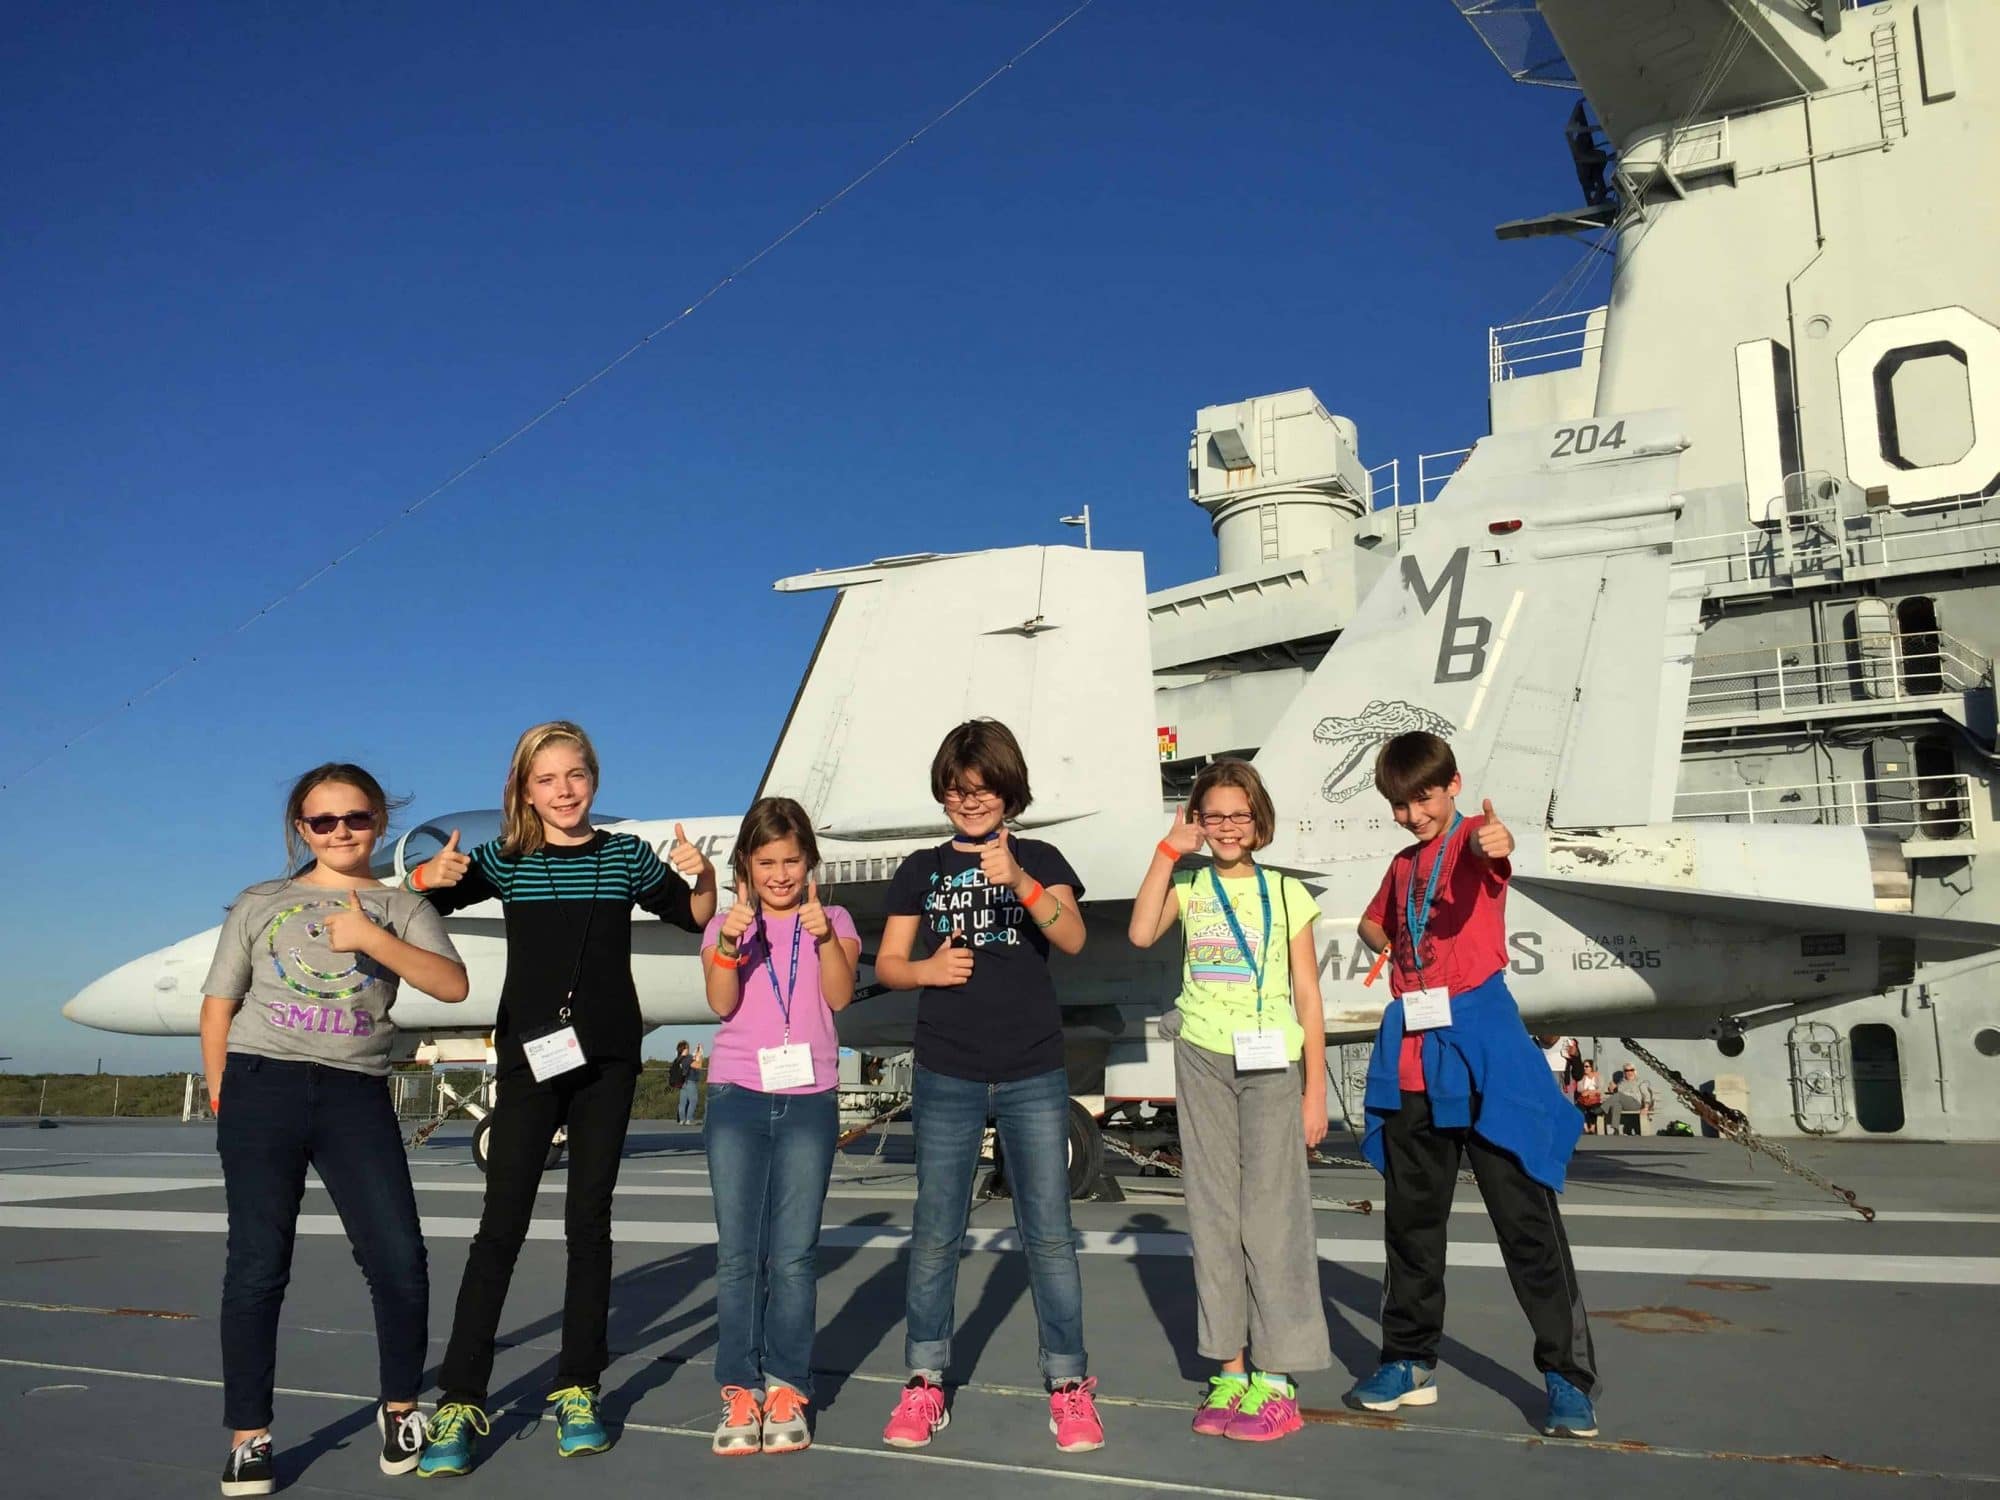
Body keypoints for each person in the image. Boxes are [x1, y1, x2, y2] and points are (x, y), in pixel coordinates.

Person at [407, 722, 716, 1476]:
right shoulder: (505, 860)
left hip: (607, 1060)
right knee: (499, 1227)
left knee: (590, 1225)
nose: (565, 791)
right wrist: (426, 880)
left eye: (576, 775)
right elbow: (426, 913)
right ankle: (459, 1397)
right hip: (529, 1060)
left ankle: (578, 1388)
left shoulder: (626, 857)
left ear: (595, 779)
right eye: (547, 780)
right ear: (524, 788)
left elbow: (697, 918)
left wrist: (701, 878)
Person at [200, 764, 470, 1496]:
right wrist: (225, 1092)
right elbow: (220, 1002)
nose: (342, 832)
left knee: (399, 1259)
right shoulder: (262, 902)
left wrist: (370, 937)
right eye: (325, 822)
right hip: (264, 1088)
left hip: (356, 1094)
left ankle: (400, 1408)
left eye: (356, 818)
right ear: (302, 830)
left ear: (378, 822)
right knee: (257, 1266)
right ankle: (249, 1436)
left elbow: (452, 985)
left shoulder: (402, 906)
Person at [1346, 731, 1599, 1440]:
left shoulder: (1471, 847)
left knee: (1526, 1227)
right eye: (1398, 804)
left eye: (1421, 798)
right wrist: (1387, 941)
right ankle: (1406, 1359)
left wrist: (1497, 842)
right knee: (1411, 1229)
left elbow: (1497, 857)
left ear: (1452, 785)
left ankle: (1566, 1376)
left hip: (1485, 1053)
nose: (1411, 814)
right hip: (1416, 1061)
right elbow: (1374, 922)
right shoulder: (1401, 866)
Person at [874, 719, 1103, 1454]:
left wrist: (1024, 884)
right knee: (937, 1233)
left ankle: (1068, 1386)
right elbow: (888, 964)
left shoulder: (1040, 856)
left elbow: (1071, 938)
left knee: (1051, 1236)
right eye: (956, 789)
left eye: (983, 789)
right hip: (946, 1067)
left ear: (1009, 790)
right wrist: (927, 972)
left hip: (1034, 1067)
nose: (969, 802)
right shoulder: (921, 867)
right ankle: (924, 1381)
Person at [1127, 759, 1330, 1442]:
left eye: (1238, 815)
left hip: (1273, 1060)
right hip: (1205, 1056)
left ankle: (1278, 1376)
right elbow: (1138, 932)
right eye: (1213, 815)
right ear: (1197, 820)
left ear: (1258, 818)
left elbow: (1309, 993)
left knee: (1273, 1218)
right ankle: (1232, 1369)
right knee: (1213, 1214)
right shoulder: (1188, 883)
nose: (1226, 827)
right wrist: (1166, 851)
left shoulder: (1285, 894)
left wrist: (1314, 1092)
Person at [699, 797, 861, 1457]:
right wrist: (732, 940)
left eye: (792, 859)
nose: (781, 873)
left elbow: (841, 995)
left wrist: (823, 937)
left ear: (810, 862)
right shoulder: (722, 925)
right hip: (738, 1095)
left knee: (793, 1256)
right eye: (767, 861)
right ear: (746, 864)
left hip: (809, 1097)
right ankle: (740, 1387)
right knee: (739, 1255)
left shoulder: (838, 919)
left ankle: (787, 1384)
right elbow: (720, 1002)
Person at [669, 1040, 704, 1125]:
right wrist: (700, 1056)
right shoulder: (688, 1058)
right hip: (690, 1081)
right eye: (688, 1047)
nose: (689, 1049)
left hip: (682, 1082)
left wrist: (695, 1055)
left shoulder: (678, 1058)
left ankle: (682, 1120)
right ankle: (689, 1119)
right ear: (685, 1048)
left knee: (682, 1102)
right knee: (693, 1101)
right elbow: (698, 1066)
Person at [1576, 1060, 1604, 1134]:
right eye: (1584, 1066)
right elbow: (1579, 1089)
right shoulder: (1582, 1077)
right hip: (1584, 1099)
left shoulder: (1598, 1076)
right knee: (1579, 1107)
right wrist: (1586, 1091)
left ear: (1592, 1067)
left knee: (1594, 1107)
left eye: (1587, 1066)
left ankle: (1592, 1127)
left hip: (1596, 1099)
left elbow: (1600, 1089)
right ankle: (1585, 1127)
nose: (1584, 1068)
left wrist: (1589, 1092)